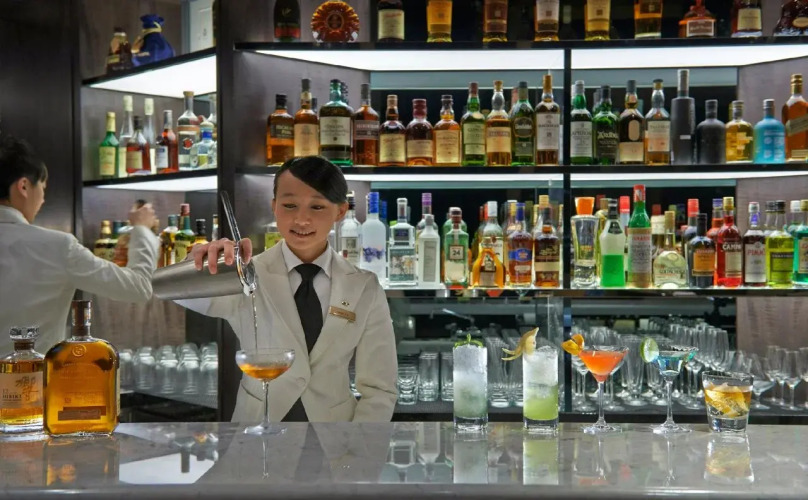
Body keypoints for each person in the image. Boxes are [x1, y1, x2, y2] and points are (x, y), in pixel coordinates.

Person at [180, 156, 397, 422]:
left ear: (340, 212)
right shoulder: (247, 274)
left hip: (336, 434)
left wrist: (359, 445)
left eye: (317, 207)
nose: (301, 219)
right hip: (257, 430)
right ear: (274, 206)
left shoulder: (364, 286)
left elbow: (379, 389)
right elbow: (184, 294)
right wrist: (199, 260)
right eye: (290, 205)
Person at [0, 135, 159, 353]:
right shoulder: (57, 247)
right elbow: (138, 288)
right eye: (43, 188)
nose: (43, 199)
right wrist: (142, 230)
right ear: (24, 186)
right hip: (32, 375)